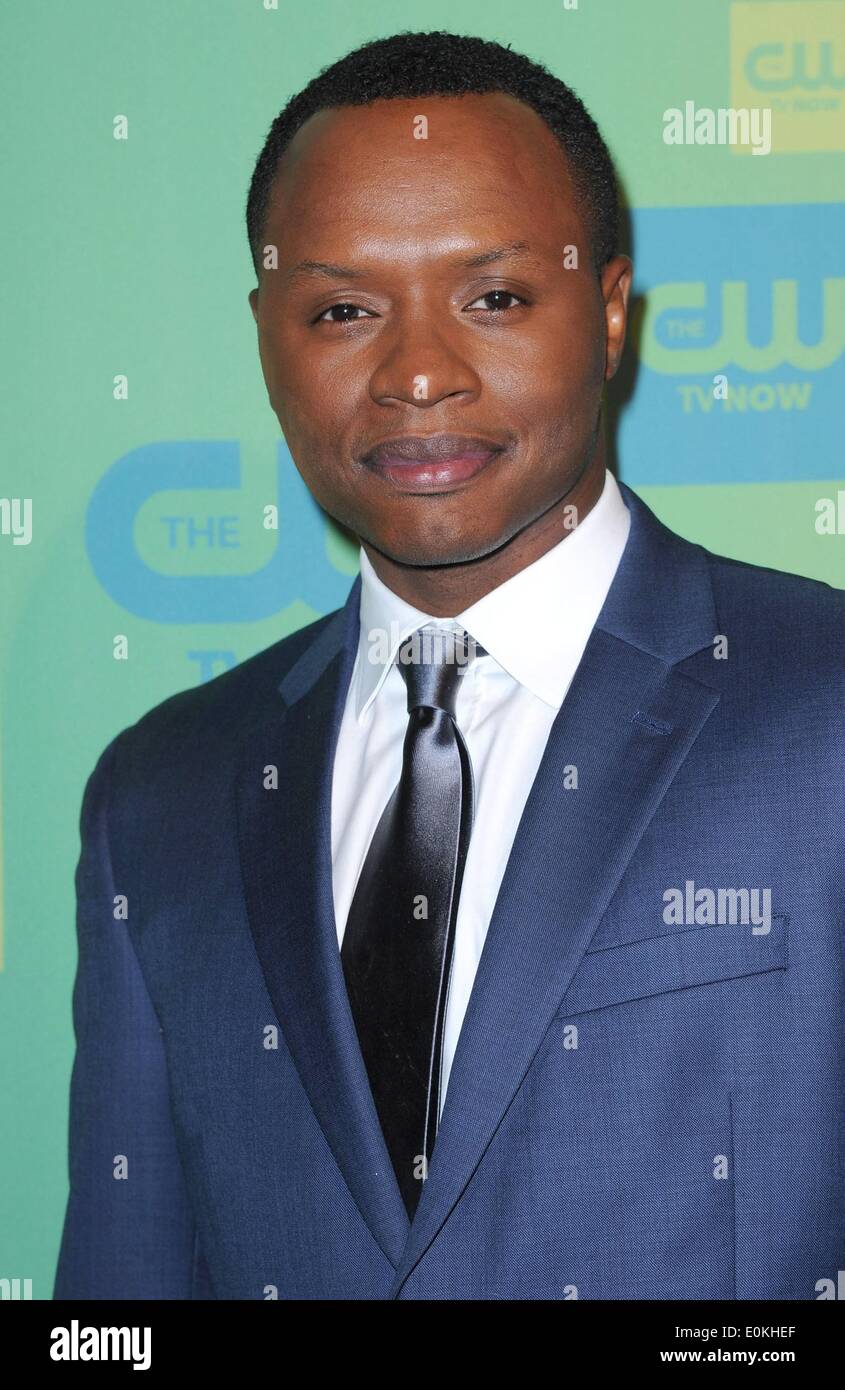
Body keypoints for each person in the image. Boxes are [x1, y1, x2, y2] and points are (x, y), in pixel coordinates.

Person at [54, 30, 844, 1301]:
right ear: (266, 339)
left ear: (607, 312)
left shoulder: (820, 705)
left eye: (494, 298)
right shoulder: (159, 798)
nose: (418, 373)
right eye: (342, 310)